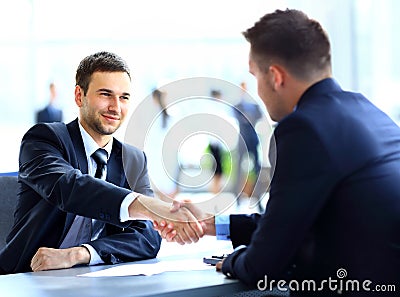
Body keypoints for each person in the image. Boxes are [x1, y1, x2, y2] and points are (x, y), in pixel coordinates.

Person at [156, 9, 400, 296]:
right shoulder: (368, 111)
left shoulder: (303, 128)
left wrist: (230, 261)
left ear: (275, 77)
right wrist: (211, 224)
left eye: (255, 75)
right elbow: (290, 220)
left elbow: (263, 264)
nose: (256, 90)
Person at [0, 51, 203, 275]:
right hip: (26, 278)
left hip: (89, 279)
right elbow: (70, 187)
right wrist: (155, 208)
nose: (116, 107)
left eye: (124, 97)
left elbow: (148, 236)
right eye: (106, 94)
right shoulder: (44, 139)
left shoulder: (133, 159)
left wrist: (81, 253)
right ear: (79, 96)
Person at [233, 82, 262, 199]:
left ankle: (257, 194)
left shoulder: (254, 106)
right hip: (242, 140)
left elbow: (259, 116)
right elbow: (241, 119)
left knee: (257, 167)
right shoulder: (237, 105)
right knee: (239, 168)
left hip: (253, 139)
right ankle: (237, 196)